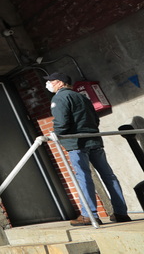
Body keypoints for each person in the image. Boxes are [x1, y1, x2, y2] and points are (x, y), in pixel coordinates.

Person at [46, 72, 131, 225]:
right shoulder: (82, 97)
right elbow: (95, 119)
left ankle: (89, 215)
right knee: (109, 176)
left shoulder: (60, 98)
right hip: (94, 140)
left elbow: (62, 122)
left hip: (77, 144)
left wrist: (55, 135)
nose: (49, 84)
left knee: (84, 177)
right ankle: (121, 212)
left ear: (59, 82)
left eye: (51, 81)